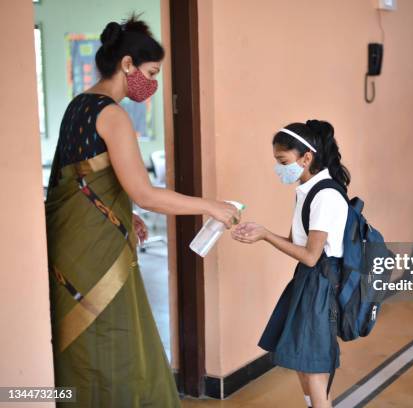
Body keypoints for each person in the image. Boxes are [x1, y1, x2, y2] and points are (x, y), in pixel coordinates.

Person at [45, 16, 239, 407]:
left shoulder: (76, 107)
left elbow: (79, 181)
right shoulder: (113, 115)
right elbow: (145, 193)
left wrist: (120, 212)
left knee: (82, 342)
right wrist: (210, 206)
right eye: (151, 73)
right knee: (113, 338)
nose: (152, 84)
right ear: (128, 64)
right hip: (97, 253)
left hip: (72, 246)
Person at [231, 120, 350, 408]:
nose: (279, 169)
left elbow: (311, 255)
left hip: (320, 284)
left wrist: (266, 235)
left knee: (313, 371)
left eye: (282, 161)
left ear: (306, 157)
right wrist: (260, 233)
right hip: (307, 280)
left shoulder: (325, 195)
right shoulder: (307, 190)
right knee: (301, 362)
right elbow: (298, 244)